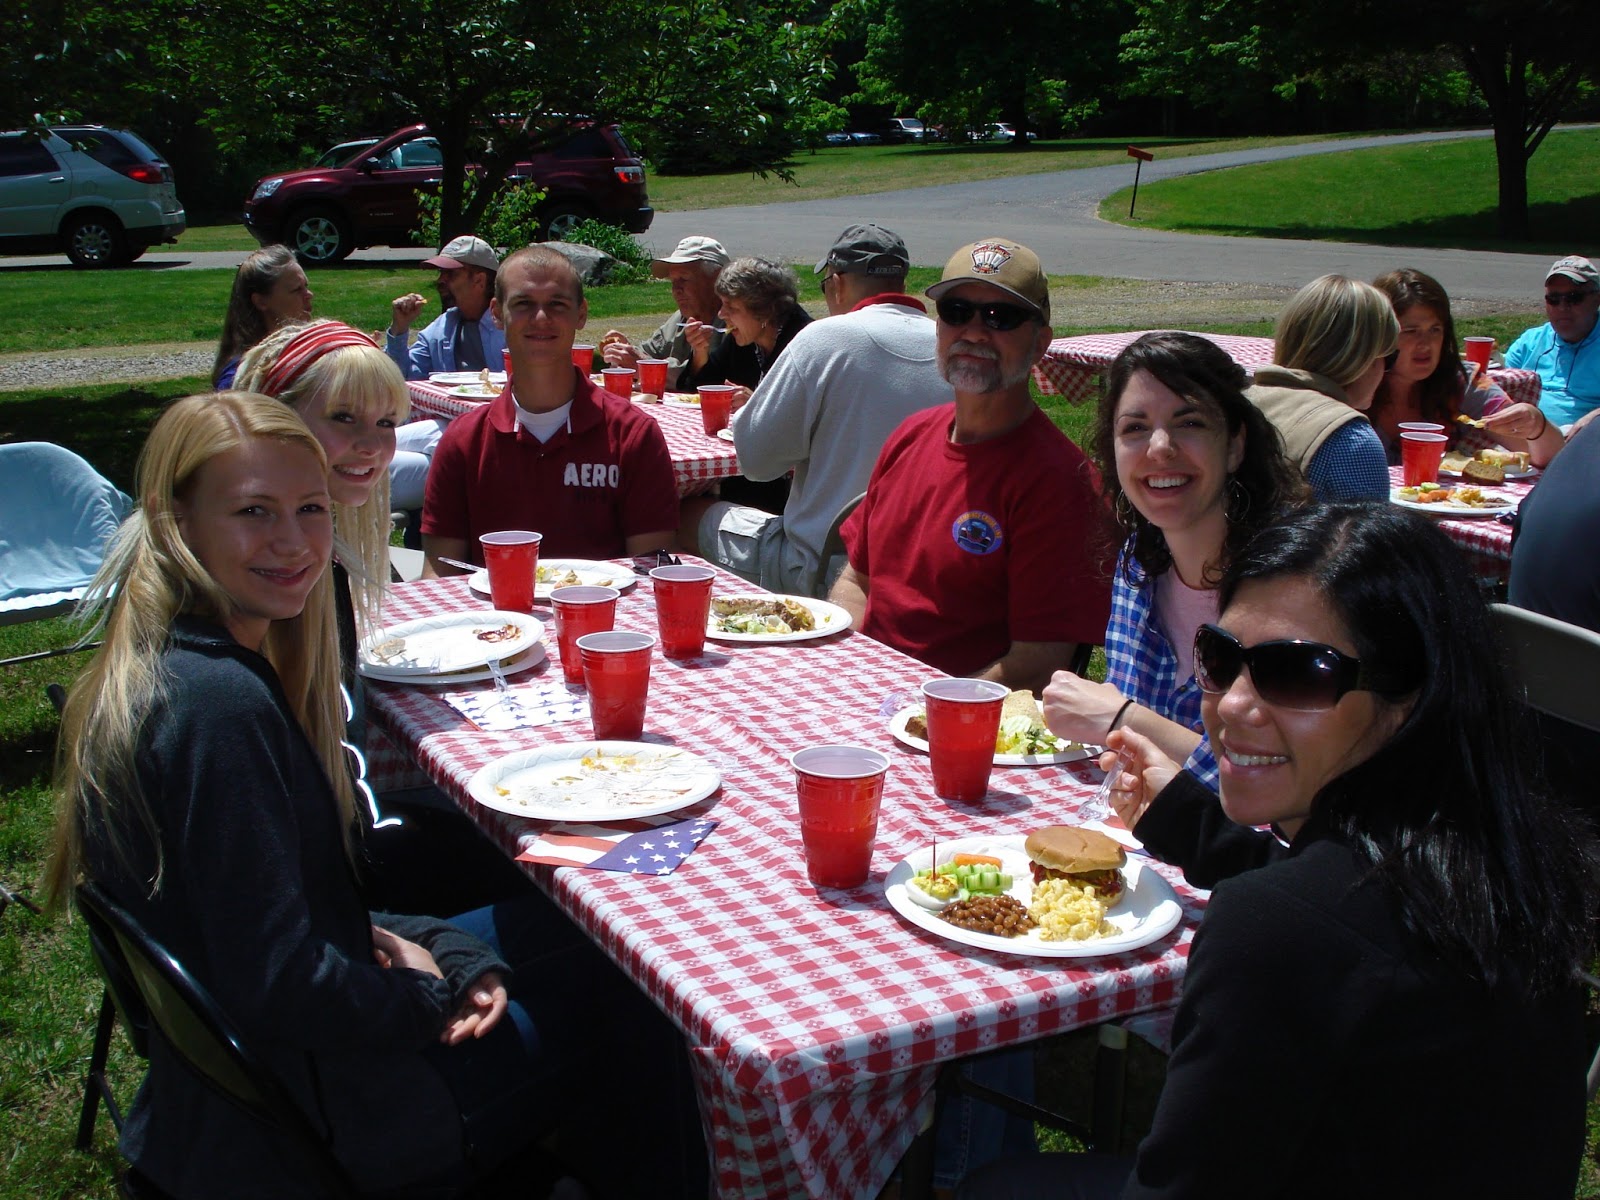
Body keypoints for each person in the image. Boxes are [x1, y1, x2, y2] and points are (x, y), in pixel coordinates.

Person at [40, 393, 663, 1197]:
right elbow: (281, 983)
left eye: (310, 508)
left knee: (578, 936)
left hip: (249, 1089)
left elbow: (258, 913)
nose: (294, 542)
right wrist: (425, 995)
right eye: (253, 511)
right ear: (173, 521)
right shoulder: (217, 710)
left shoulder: (167, 666)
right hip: (332, 1121)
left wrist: (434, 946)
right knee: (644, 1007)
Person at [958, 503, 1599, 1199]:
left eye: (1295, 673)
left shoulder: (1276, 934)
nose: (1233, 704)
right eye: (1222, 658)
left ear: (1409, 697)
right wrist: (1185, 819)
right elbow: (1356, 924)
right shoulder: (1513, 856)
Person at [830, 238, 1111, 693]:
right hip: (864, 693)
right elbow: (856, 579)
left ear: (1040, 342)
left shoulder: (1061, 482)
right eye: (957, 311)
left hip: (959, 717)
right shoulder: (910, 435)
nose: (975, 332)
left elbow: (1039, 663)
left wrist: (930, 712)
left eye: (1001, 317)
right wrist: (847, 673)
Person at [1041, 332, 1305, 792]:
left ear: (1235, 446)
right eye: (1135, 428)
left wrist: (1122, 718)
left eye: (1190, 423)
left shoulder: (1290, 588)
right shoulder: (1138, 567)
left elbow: (1281, 788)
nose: (1159, 447)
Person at [677, 223, 952, 594]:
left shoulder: (826, 338)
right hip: (920, 564)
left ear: (837, 283)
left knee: (683, 514)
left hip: (819, 565)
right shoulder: (948, 346)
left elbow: (756, 462)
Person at [422, 246, 678, 574]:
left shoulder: (632, 435)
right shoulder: (463, 441)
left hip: (605, 619)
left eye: (557, 304)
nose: (541, 318)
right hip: (495, 622)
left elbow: (651, 570)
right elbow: (439, 575)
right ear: (497, 313)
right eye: (524, 303)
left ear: (581, 314)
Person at [1369, 267, 1564, 467]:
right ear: (1382, 334)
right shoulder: (1356, 384)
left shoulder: (1461, 380)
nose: (1426, 344)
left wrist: (1537, 426)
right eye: (1411, 331)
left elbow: (1549, 459)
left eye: (1435, 330)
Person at [1246, 274, 1396, 501]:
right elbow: (1365, 536)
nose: (1386, 370)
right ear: (1363, 358)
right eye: (1390, 357)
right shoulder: (1351, 439)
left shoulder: (1237, 402)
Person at [599, 235, 729, 390]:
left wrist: (642, 364)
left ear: (716, 280)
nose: (676, 290)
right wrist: (625, 351)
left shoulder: (734, 323)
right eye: (673, 281)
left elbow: (707, 378)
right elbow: (649, 352)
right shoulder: (682, 317)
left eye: (684, 279)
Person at [677, 255, 813, 404]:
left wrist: (757, 403)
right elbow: (697, 394)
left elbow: (805, 412)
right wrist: (700, 354)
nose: (721, 314)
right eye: (722, 304)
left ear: (763, 311)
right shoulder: (744, 338)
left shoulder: (803, 344)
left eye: (731, 307)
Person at [384, 234, 506, 380]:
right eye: (441, 272)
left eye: (451, 274)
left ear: (479, 280)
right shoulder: (441, 329)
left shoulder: (511, 328)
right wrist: (399, 329)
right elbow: (400, 378)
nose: (441, 280)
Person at [1505, 254, 1600, 429]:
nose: (1563, 307)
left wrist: (1595, 417)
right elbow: (1497, 388)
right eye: (1554, 299)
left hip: (1584, 443)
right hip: (1521, 439)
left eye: (1574, 298)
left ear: (1597, 299)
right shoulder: (1530, 342)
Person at [211, 245, 312, 389]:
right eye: (297, 289)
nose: (309, 295)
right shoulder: (241, 377)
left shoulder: (311, 350)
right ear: (261, 301)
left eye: (306, 286)